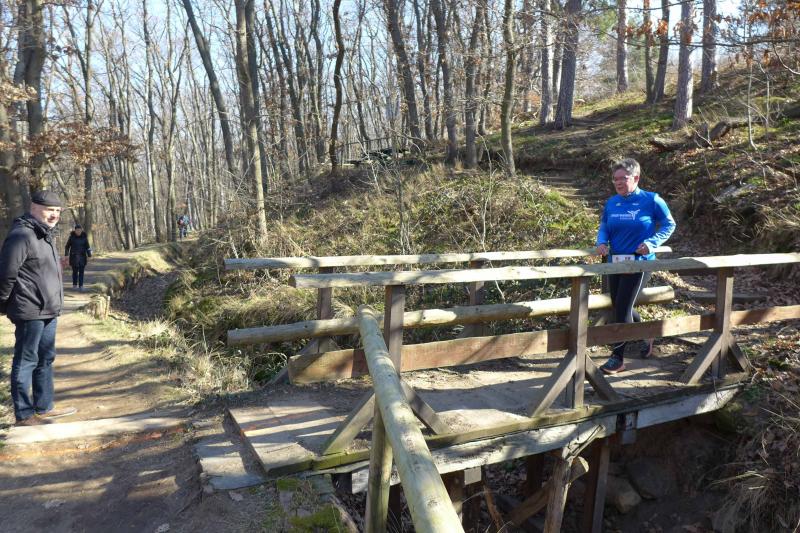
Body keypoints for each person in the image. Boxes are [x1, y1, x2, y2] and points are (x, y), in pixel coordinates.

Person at [0, 190, 76, 426]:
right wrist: (2, 303)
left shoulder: (44, 234)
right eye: (49, 210)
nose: (54, 215)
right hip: (29, 310)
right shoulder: (22, 235)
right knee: (26, 359)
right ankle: (24, 414)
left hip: (49, 309)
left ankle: (44, 407)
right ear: (34, 208)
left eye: (57, 211)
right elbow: (6, 274)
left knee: (46, 358)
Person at [594, 158, 676, 374]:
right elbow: (604, 226)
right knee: (620, 306)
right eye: (615, 179)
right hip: (615, 263)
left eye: (623, 178)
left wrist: (652, 243)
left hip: (639, 263)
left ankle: (617, 358)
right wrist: (601, 242)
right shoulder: (612, 202)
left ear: (636, 178)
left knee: (621, 308)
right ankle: (646, 335)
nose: (618, 182)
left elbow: (669, 224)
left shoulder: (652, 200)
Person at [65, 224, 92, 291]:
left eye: (79, 230)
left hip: (82, 257)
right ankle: (74, 285)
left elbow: (88, 247)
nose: (78, 231)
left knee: (81, 272)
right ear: (75, 230)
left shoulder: (84, 237)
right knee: (75, 272)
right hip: (74, 257)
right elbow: (67, 247)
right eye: (77, 230)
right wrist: (66, 255)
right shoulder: (71, 237)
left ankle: (81, 286)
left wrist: (89, 255)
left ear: (81, 230)